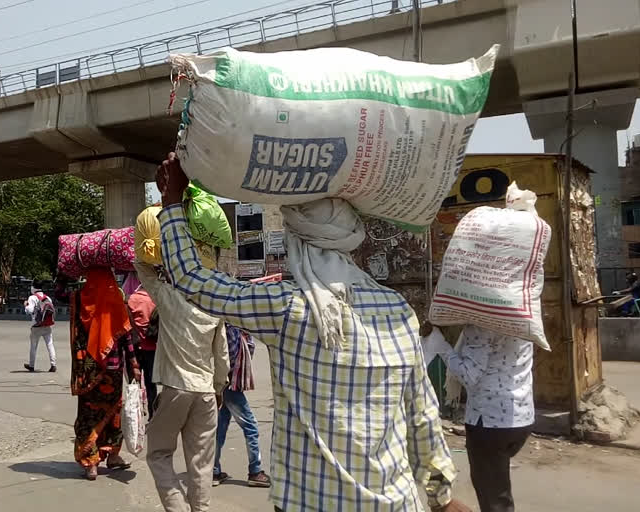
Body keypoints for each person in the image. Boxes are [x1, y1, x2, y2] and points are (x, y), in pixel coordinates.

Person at [155, 153, 468, 512]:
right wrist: (441, 498)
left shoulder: (287, 307)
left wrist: (172, 203)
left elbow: (192, 280)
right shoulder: (397, 309)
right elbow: (422, 415)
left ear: (297, 241)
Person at [133, 261, 229, 512]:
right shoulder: (213, 306)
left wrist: (157, 259)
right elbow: (222, 357)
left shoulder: (168, 296)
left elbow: (142, 269)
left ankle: (177, 508)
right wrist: (218, 388)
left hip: (176, 388)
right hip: (207, 390)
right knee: (202, 463)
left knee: (159, 454)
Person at [424, 324, 533, 512]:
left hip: (489, 423)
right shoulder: (523, 321)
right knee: (499, 491)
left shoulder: (481, 328)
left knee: (495, 501)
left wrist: (441, 346)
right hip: (521, 418)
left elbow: (468, 375)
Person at [70, 268, 141, 480]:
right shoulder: (116, 299)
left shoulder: (81, 299)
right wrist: (133, 365)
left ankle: (91, 463)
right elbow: (126, 337)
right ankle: (112, 455)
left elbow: (76, 335)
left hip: (89, 371)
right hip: (114, 370)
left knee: (89, 415)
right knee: (113, 413)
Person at [213, 324, 270, 488]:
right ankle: (255, 471)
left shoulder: (237, 328)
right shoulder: (232, 329)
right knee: (250, 427)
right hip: (230, 385)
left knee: (220, 427)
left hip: (226, 384)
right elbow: (227, 358)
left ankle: (214, 471)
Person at [126, 281, 159, 419]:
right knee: (151, 385)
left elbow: (126, 327)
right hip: (152, 347)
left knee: (134, 383)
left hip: (134, 348)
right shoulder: (156, 300)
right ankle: (153, 414)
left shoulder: (131, 300)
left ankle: (137, 414)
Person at [24, 282, 57, 373]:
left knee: (33, 346)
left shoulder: (32, 298)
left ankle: (31, 365)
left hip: (36, 326)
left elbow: (29, 310)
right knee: (50, 344)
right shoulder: (48, 298)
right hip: (47, 325)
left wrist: (26, 305)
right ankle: (53, 364)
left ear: (33, 288)